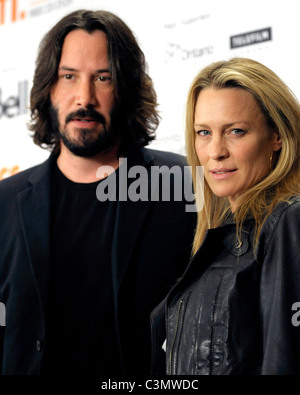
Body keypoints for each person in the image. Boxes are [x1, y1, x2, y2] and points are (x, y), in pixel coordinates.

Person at [0, 9, 196, 376]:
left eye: (103, 78)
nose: (84, 97)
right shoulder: (4, 203)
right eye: (69, 77)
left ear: (126, 88)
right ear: (48, 89)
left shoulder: (184, 184)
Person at [151, 57, 300, 375]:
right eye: (204, 132)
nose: (215, 151)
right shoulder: (222, 236)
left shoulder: (288, 221)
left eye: (235, 131)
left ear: (276, 135)